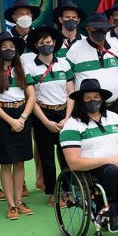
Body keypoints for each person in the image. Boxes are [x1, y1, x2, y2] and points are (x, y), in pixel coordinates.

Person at [59, 79, 118, 230]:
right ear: (81, 101)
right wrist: (108, 160)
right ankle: (111, 212)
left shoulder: (114, 118)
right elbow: (74, 162)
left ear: (102, 100)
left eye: (96, 97)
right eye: (87, 98)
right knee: (111, 170)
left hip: (117, 161)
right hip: (91, 168)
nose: (93, 101)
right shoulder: (72, 125)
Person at [23, 25, 72, 208]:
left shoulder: (64, 63)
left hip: (63, 113)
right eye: (42, 43)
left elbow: (70, 92)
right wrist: (45, 121)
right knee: (47, 157)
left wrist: (67, 118)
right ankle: (52, 193)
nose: (46, 46)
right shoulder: (29, 67)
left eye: (49, 42)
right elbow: (31, 97)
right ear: (36, 45)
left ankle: (67, 191)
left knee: (66, 155)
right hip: (42, 114)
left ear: (55, 43)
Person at [0, 31, 36, 220]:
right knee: (6, 163)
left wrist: (23, 118)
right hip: (2, 117)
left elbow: (31, 95)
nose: (9, 50)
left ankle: (19, 201)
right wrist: (11, 121)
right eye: (4, 47)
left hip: (22, 115)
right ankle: (10, 205)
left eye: (12, 47)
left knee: (20, 162)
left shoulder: (22, 69)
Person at [66, 13, 118, 103]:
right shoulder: (75, 50)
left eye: (103, 28)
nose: (99, 31)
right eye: (95, 28)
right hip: (87, 106)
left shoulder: (115, 45)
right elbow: (67, 80)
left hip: (114, 105)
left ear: (107, 29)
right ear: (88, 29)